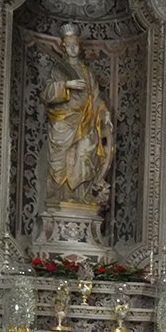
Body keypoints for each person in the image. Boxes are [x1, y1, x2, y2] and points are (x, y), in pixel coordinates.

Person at [43, 23, 116, 205]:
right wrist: (67, 85)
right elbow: (47, 93)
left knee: (84, 156)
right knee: (62, 162)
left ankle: (81, 197)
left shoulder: (87, 72)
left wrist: (105, 112)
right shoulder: (59, 69)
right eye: (69, 45)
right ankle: (61, 197)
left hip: (86, 122)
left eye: (75, 44)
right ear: (64, 47)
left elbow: (95, 97)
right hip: (63, 122)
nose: (73, 48)